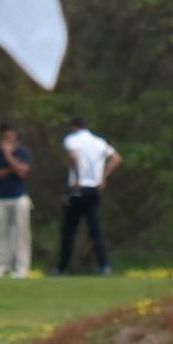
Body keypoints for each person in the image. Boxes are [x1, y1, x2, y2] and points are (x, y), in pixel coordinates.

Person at [54, 116, 121, 275]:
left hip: (78, 188)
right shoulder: (98, 142)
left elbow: (73, 156)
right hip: (93, 189)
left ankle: (63, 268)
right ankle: (104, 265)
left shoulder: (72, 139)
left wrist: (77, 177)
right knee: (95, 230)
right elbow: (116, 159)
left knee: (69, 231)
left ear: (74, 127)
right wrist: (103, 177)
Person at [0, 123, 33, 278]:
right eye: (6, 134)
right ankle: (1, 265)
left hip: (19, 197)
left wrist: (8, 157)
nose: (8, 137)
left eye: (11, 134)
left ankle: (21, 268)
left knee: (21, 233)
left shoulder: (23, 152)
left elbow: (22, 172)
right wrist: (10, 169)